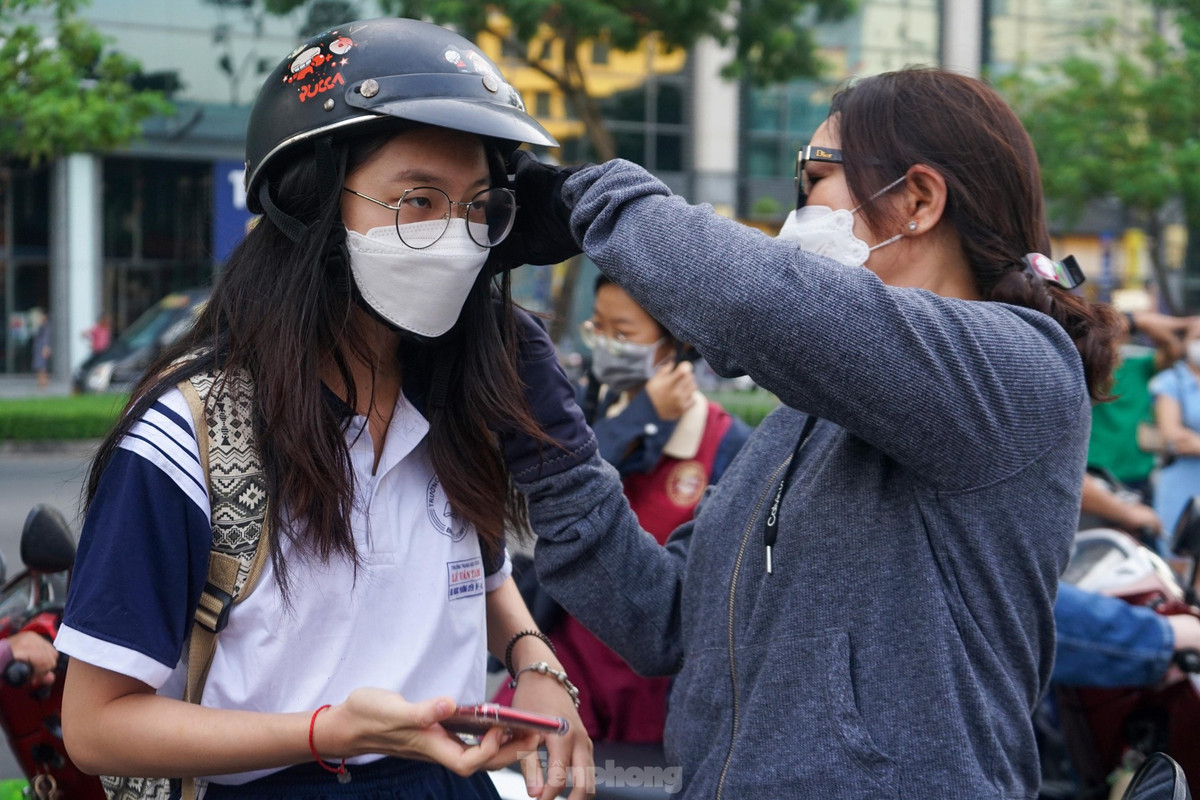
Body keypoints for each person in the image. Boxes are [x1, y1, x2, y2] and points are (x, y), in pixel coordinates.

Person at [489, 68, 1124, 798]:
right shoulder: (802, 424)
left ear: (918, 199)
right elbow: (663, 619)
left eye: (815, 176)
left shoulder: (1021, 367)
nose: (798, 209)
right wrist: (548, 437)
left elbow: (754, 302)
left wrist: (579, 197)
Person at [55, 18, 591, 800]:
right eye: (417, 200)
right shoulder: (191, 437)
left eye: (478, 207)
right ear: (309, 204)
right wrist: (327, 732)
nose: (456, 238)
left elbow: (478, 574)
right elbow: (95, 727)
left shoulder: (459, 400)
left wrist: (534, 661)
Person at [496, 277, 751, 743]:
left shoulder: (724, 443)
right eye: (598, 328)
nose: (607, 345)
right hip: (571, 662)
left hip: (656, 692)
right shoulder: (580, 413)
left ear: (676, 342)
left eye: (624, 332)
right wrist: (639, 418)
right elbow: (553, 503)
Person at [1088, 309, 1189, 502]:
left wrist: (1154, 326)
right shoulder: (1092, 370)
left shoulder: (1139, 366)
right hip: (1097, 472)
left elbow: (1172, 352)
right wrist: (1137, 322)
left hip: (1137, 472)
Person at [1149, 318, 1200, 538]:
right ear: (1184, 342)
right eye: (1198, 337)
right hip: (1182, 484)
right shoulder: (1170, 381)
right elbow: (1174, 438)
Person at [30, 308, 51, 388]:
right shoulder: (41, 326)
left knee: (42, 366)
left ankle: (44, 381)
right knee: (39, 366)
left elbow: (46, 338)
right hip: (38, 347)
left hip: (43, 348)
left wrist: (46, 348)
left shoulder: (47, 326)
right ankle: (40, 381)